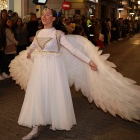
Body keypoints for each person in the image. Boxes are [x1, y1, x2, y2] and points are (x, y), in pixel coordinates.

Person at [9, 8, 140, 140]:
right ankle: (35, 128)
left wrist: (89, 61)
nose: (44, 16)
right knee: (38, 94)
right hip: (40, 68)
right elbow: (34, 45)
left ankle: (52, 119)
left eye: (48, 14)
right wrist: (30, 53)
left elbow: (73, 50)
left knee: (52, 94)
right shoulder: (39, 32)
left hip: (53, 68)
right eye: (43, 14)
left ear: (53, 19)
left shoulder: (58, 34)